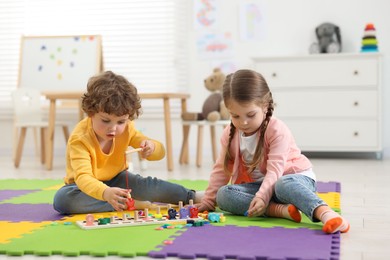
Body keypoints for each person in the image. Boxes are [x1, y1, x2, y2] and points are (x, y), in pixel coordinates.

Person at [196, 69, 350, 234]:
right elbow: (221, 169)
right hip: (261, 187)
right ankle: (279, 210)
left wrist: (262, 197)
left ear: (265, 106)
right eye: (235, 116)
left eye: (250, 114)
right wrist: (209, 200)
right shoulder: (229, 133)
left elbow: (275, 171)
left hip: (292, 180)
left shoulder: (276, 129)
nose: (244, 122)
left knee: (282, 184)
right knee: (224, 195)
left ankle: (325, 213)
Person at [53, 71, 201, 214]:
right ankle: (129, 203)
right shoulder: (80, 139)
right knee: (63, 200)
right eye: (105, 120)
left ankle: (192, 196)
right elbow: (83, 178)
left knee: (149, 186)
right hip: (83, 187)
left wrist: (152, 147)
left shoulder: (127, 129)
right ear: (91, 113)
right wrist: (105, 192)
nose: (113, 128)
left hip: (118, 179)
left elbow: (160, 153)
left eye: (121, 121)